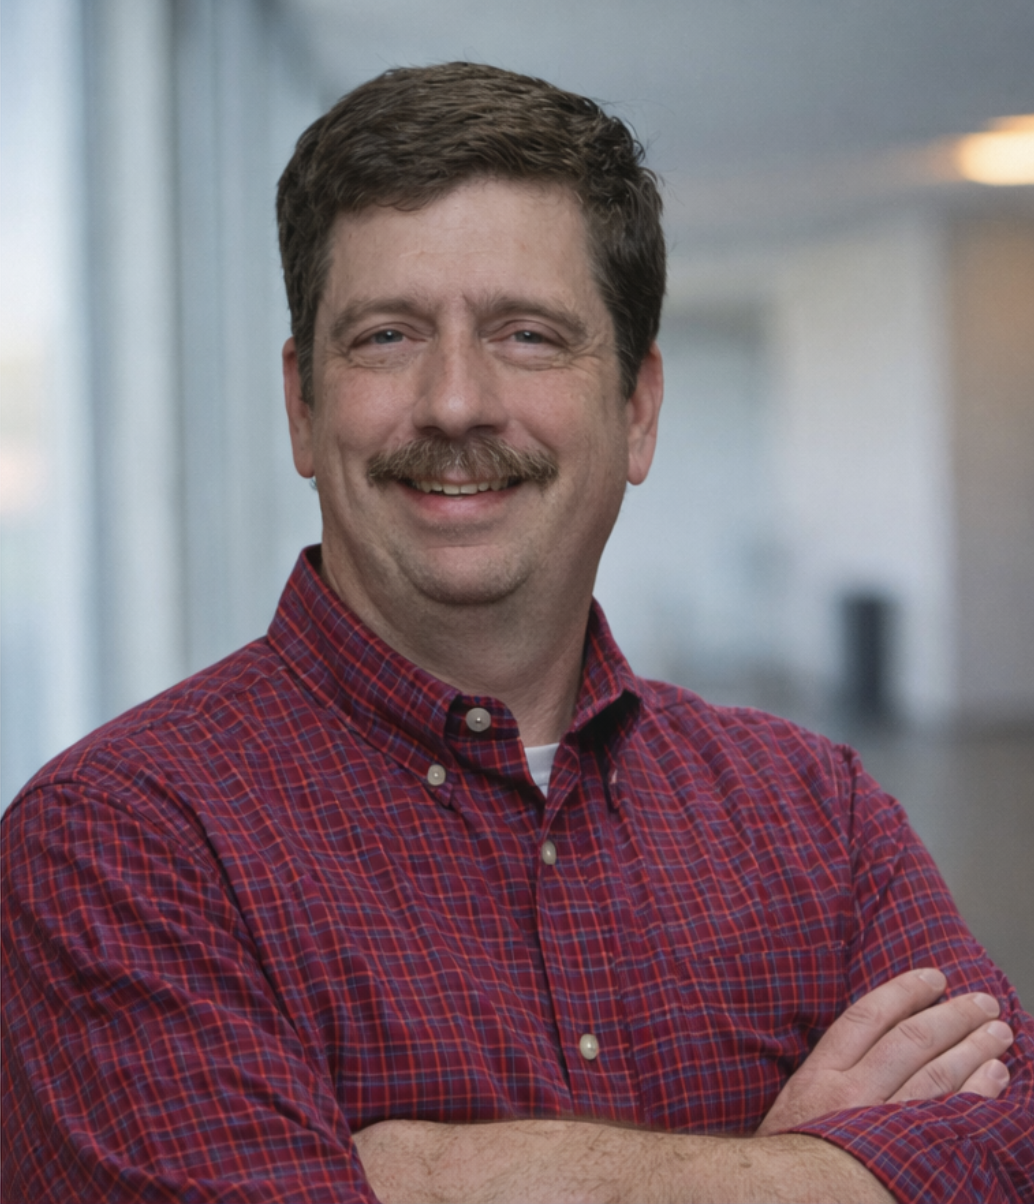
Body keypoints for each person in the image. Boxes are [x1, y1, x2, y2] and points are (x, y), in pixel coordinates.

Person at [2, 62, 1031, 1204]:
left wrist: (460, 1174)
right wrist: (808, 1173)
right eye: (387, 336)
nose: (453, 402)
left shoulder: (814, 814)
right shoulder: (116, 850)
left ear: (635, 411)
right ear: (302, 407)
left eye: (527, 335)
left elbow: (1011, 1152)